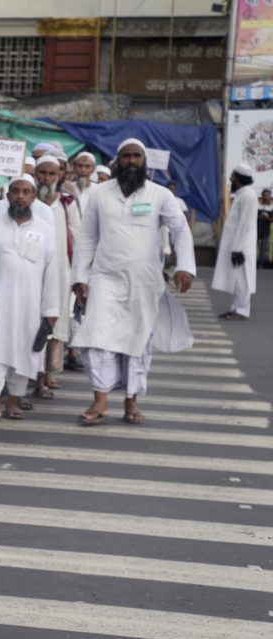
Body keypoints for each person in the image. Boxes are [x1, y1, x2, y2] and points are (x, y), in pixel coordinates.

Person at [72, 138, 196, 426]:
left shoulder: (159, 194)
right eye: (125, 156)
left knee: (138, 343)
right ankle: (100, 401)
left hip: (145, 281)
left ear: (144, 161)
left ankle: (131, 402)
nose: (131, 161)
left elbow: (180, 231)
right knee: (96, 338)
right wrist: (80, 276)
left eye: (136, 156)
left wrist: (185, 267)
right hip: (105, 277)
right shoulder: (100, 194)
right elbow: (87, 237)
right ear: (117, 161)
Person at [0, 175, 59, 420]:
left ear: (34, 197)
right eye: (15, 191)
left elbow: (52, 271)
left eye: (26, 191)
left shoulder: (45, 229)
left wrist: (51, 310)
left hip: (30, 304)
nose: (20, 196)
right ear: (8, 195)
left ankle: (14, 401)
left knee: (25, 352)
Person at [31, 155, 80, 399]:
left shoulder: (67, 203)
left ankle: (43, 378)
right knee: (25, 325)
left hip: (59, 274)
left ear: (60, 175)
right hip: (29, 275)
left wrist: (80, 277)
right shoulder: (24, 200)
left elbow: (79, 240)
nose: (47, 178)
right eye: (43, 173)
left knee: (52, 326)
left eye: (52, 174)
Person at [213, 164, 259, 321]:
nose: (230, 179)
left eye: (232, 176)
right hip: (237, 245)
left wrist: (237, 248)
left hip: (242, 246)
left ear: (238, 179)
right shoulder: (242, 194)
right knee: (236, 279)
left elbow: (245, 224)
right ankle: (235, 308)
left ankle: (242, 310)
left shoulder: (248, 195)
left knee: (242, 279)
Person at [258, 187, 272, 268]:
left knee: (264, 248)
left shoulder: (271, 207)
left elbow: (271, 219)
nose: (267, 197)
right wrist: (260, 217)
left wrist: (267, 218)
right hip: (257, 229)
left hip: (266, 230)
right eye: (266, 195)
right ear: (262, 196)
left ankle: (261, 264)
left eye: (269, 195)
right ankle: (253, 263)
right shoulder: (257, 205)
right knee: (253, 247)